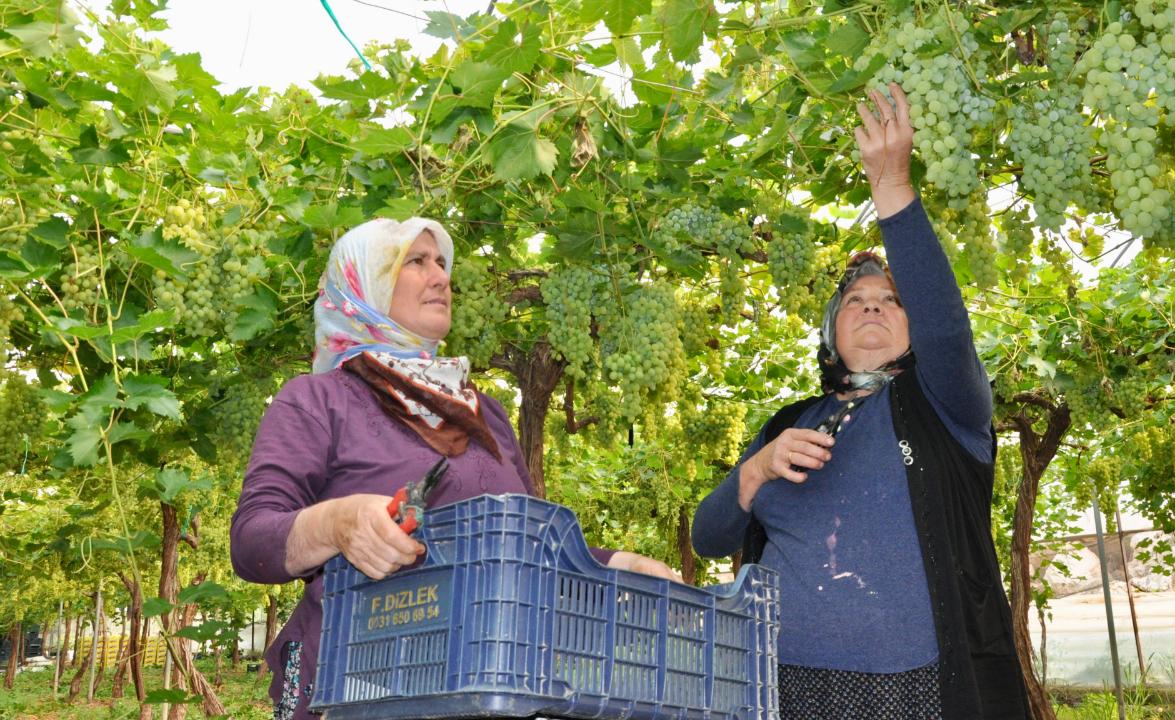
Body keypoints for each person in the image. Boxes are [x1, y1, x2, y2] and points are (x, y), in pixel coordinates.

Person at [230, 218, 679, 720]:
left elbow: (525, 546)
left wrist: (619, 564)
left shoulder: (484, 413)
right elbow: (252, 542)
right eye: (415, 262)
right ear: (364, 285)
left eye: (441, 263)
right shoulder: (317, 400)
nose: (441, 277)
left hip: (481, 691)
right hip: (356, 691)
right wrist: (337, 523)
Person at [691, 84, 1030, 719]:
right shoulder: (788, 424)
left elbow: (948, 328)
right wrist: (756, 469)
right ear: (831, 334)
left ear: (912, 327)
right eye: (855, 301)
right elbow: (707, 537)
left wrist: (892, 188)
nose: (872, 303)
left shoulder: (944, 406)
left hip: (920, 689)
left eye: (890, 300)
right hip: (782, 686)